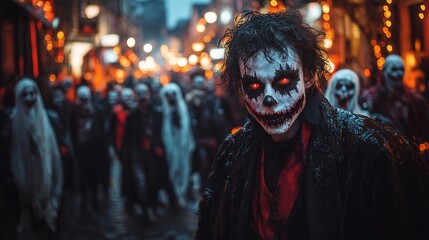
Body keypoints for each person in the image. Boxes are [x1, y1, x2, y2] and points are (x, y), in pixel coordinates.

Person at [196, 9, 429, 240]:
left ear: (307, 76)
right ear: (241, 89)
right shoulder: (233, 154)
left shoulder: (367, 149)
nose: (269, 99)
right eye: (254, 86)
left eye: (284, 81)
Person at [1, 78, 63, 239]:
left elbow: (54, 154)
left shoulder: (47, 120)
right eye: (25, 94)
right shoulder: (11, 122)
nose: (29, 98)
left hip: (45, 178)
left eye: (32, 93)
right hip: (22, 182)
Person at [361, 54, 429, 157]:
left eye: (401, 69)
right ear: (384, 72)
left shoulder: (415, 100)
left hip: (408, 156)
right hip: (377, 156)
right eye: (393, 69)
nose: (398, 74)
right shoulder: (369, 96)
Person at [160, 82, 195, 206]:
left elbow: (188, 128)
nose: (171, 98)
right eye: (168, 95)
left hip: (183, 144)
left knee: (184, 168)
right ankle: (174, 194)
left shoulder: (183, 108)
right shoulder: (162, 110)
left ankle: (181, 191)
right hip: (170, 145)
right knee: (172, 169)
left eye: (173, 94)